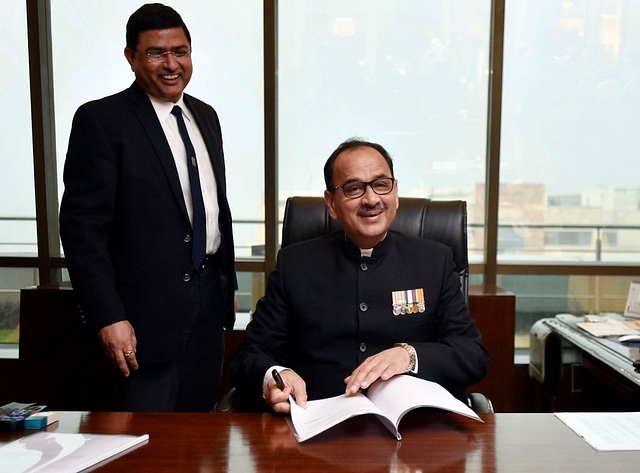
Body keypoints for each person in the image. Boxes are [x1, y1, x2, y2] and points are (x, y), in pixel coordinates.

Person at [59, 3, 236, 412]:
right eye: (157, 53)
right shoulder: (101, 121)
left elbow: (212, 210)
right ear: (131, 57)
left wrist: (225, 294)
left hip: (208, 309)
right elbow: (83, 231)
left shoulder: (205, 116)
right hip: (139, 322)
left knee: (198, 441)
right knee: (144, 443)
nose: (171, 64)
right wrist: (108, 317)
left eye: (181, 51)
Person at [231, 138, 488, 413]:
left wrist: (409, 355)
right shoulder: (296, 264)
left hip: (415, 432)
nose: (371, 199)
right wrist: (274, 376)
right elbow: (251, 355)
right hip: (317, 428)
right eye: (354, 188)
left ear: (395, 192)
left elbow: (471, 354)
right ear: (331, 202)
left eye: (381, 184)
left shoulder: (434, 260)